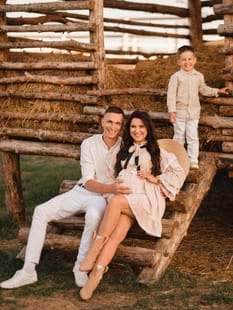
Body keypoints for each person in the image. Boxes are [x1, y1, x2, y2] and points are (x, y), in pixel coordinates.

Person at [0, 106, 126, 290]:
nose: (112, 127)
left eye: (117, 123)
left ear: (121, 126)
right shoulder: (89, 144)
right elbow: (89, 182)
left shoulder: (124, 146)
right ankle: (28, 271)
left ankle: (80, 267)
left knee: (93, 217)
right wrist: (111, 187)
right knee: (40, 211)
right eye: (109, 121)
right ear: (102, 121)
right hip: (82, 190)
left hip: (102, 198)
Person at [77, 110, 188, 300]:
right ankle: (96, 274)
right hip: (127, 201)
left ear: (147, 129)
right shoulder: (125, 150)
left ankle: (94, 248)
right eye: (133, 127)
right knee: (115, 236)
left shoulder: (157, 151)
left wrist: (155, 179)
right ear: (129, 129)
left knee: (118, 201)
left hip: (145, 200)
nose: (137, 131)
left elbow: (178, 172)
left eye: (141, 127)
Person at [167, 45, 229, 169]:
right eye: (184, 60)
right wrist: (172, 111)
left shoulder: (198, 76)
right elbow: (171, 95)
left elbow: (204, 89)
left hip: (193, 113)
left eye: (190, 59)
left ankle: (192, 161)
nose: (187, 62)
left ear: (195, 60)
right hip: (179, 112)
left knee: (192, 137)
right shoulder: (176, 77)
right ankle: (177, 160)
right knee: (179, 137)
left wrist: (217, 91)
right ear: (178, 62)